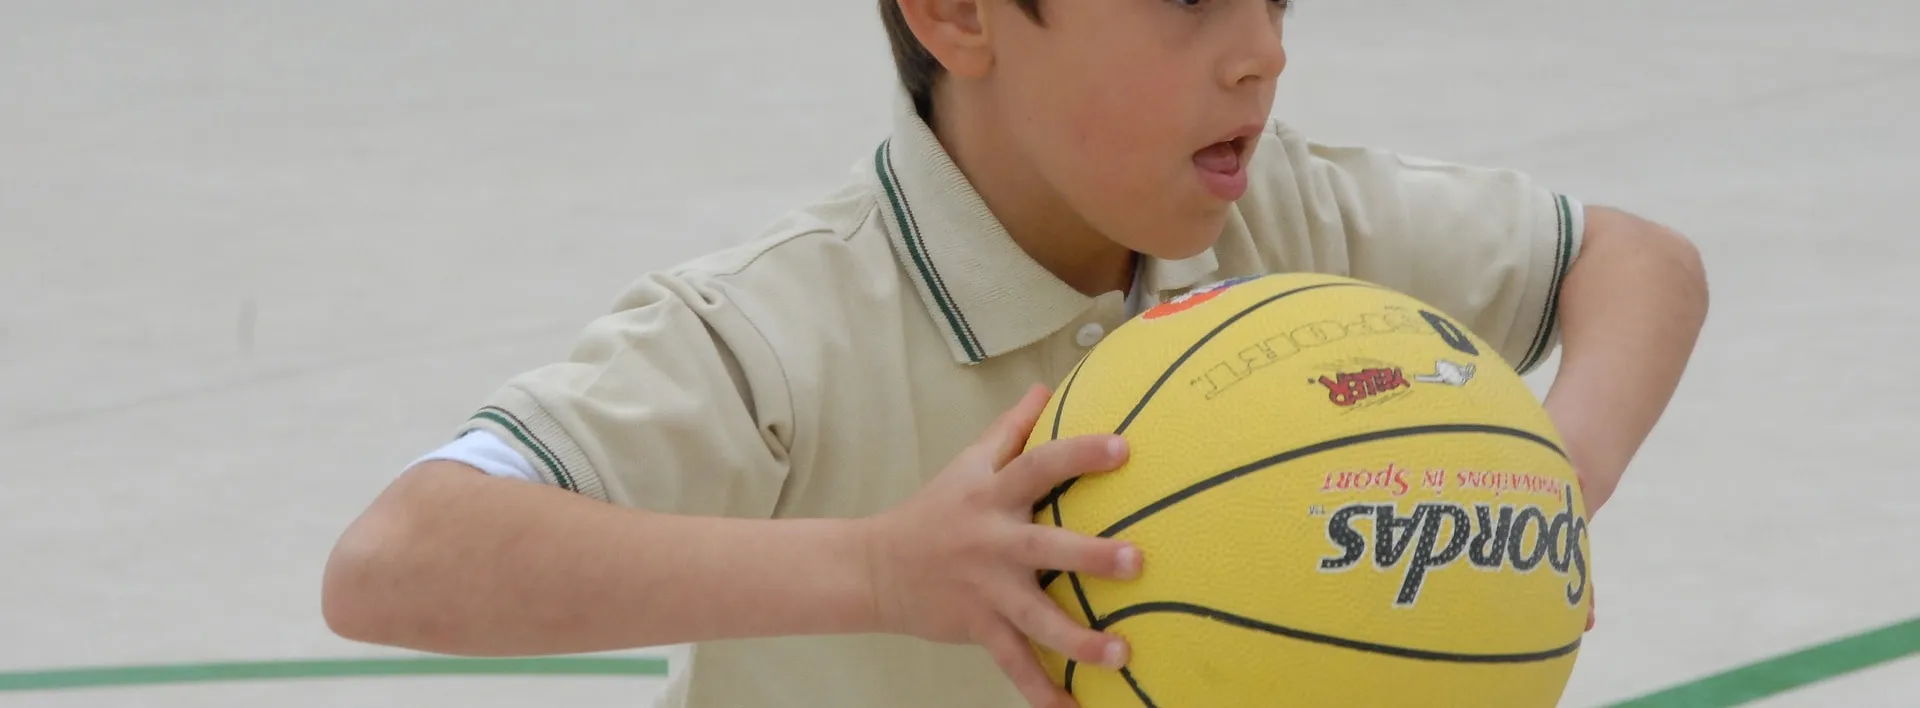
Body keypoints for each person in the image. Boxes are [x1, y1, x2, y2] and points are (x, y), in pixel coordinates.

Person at [321, 1, 1710, 707]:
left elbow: (1637, 260)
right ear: (959, 13)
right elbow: (395, 560)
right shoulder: (783, 323)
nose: (1261, 54)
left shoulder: (1289, 220)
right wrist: (880, 572)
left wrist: (1553, 474)